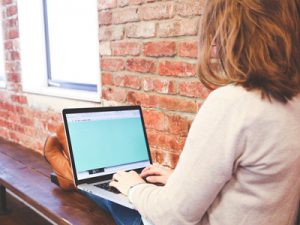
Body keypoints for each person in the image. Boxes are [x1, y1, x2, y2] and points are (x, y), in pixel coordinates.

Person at [82, 0, 300, 224]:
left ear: (230, 32)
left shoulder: (233, 103)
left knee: (104, 196)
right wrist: (179, 182)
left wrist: (134, 187)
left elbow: (173, 216)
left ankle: (73, 174)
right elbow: (249, 188)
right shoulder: (294, 101)